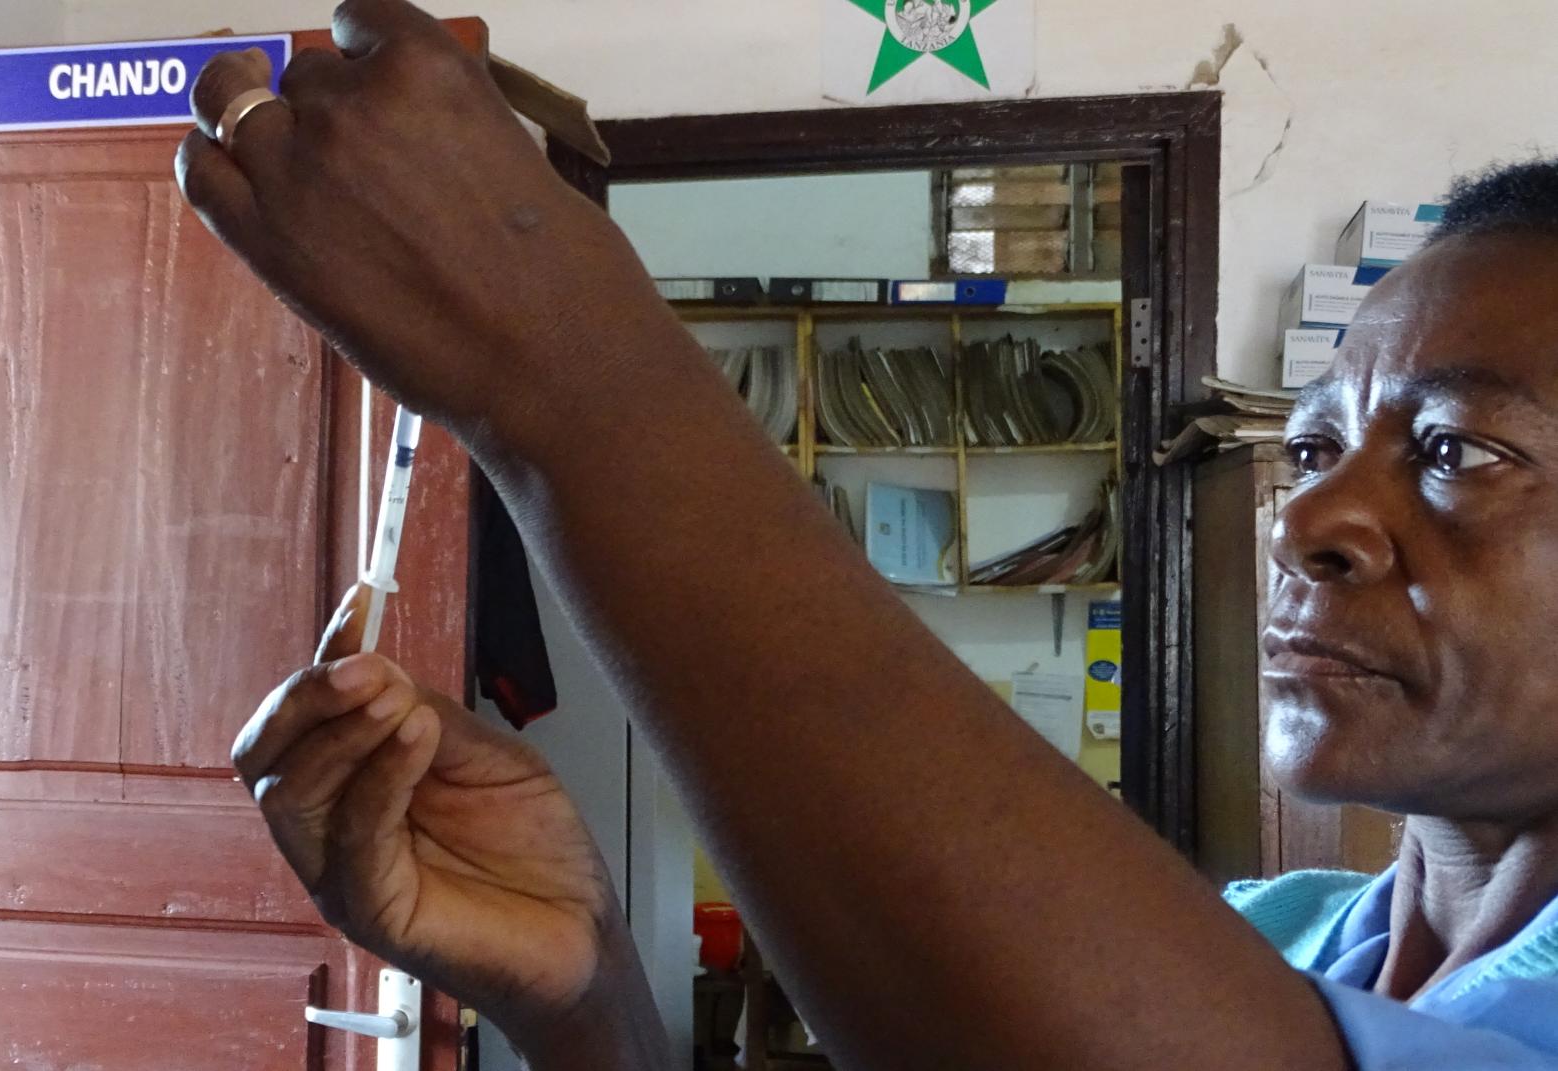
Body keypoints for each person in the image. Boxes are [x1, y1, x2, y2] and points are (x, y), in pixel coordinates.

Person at [174, 2, 1558, 1066]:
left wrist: (570, 378)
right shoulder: (1274, 937)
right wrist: (588, 993)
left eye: (1462, 450)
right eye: (1314, 444)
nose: (1311, 516)